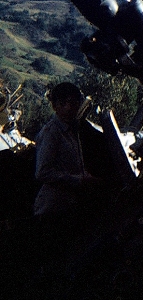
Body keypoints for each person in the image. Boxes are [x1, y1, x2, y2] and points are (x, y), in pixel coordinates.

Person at [33, 82, 104, 224]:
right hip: (52, 209)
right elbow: (42, 172)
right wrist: (78, 180)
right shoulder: (51, 132)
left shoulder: (74, 130)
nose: (68, 108)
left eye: (73, 103)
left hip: (69, 205)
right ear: (54, 106)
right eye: (62, 103)